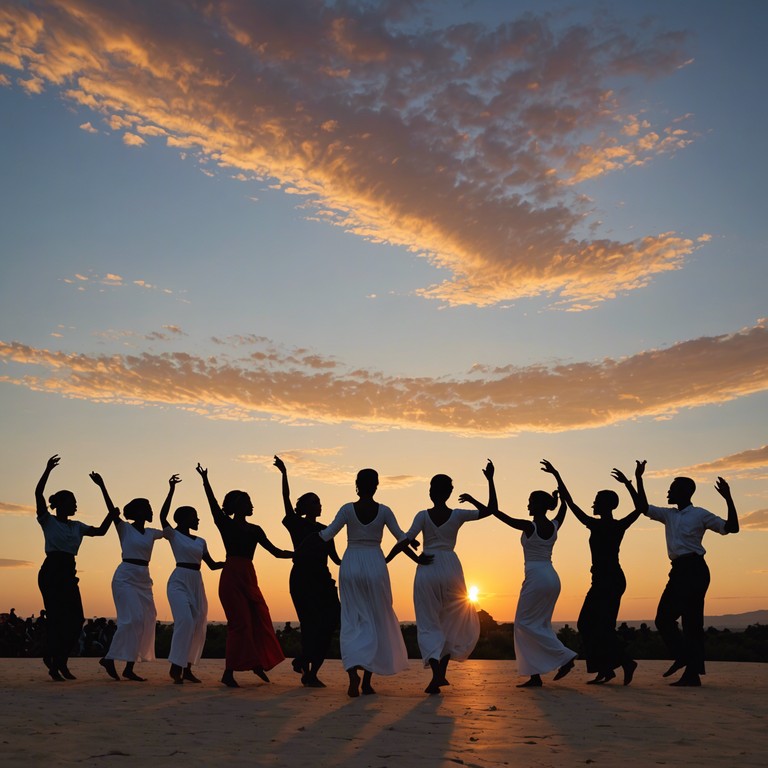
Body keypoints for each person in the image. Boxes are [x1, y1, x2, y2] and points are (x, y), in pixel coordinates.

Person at [317, 468, 429, 697]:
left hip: (351, 565)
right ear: (376, 485)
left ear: (357, 485)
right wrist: (416, 552)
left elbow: (326, 535)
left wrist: (304, 545)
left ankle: (352, 673)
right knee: (376, 619)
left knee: (352, 620)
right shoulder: (384, 511)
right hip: (375, 565)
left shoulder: (347, 509)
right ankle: (367, 681)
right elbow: (402, 537)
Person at [389, 461, 494, 694]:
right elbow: (491, 510)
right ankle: (439, 677)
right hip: (451, 567)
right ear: (449, 493)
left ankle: (437, 674)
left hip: (428, 566)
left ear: (431, 492)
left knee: (428, 623)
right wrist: (489, 480)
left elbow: (405, 540)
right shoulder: (457, 515)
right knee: (449, 623)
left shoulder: (422, 515)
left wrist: (405, 558)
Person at [541, 459, 645, 685]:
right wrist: (557, 474)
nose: (593, 504)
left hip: (610, 581)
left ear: (606, 505)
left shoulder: (607, 525)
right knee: (591, 625)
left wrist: (632, 481)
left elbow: (640, 507)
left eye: (597, 501)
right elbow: (571, 501)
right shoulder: (606, 525)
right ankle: (606, 668)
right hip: (603, 580)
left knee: (595, 625)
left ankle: (625, 662)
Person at [639, 468, 739, 686]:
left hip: (695, 569)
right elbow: (642, 507)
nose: (668, 492)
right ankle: (687, 662)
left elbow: (732, 528)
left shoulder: (700, 514)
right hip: (678, 570)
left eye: (672, 489)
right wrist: (637, 479)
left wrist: (728, 498)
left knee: (689, 622)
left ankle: (690, 670)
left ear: (685, 492)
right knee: (665, 619)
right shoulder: (669, 515)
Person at [197, 463, 292, 688]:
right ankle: (228, 672)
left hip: (249, 577)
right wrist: (205, 480)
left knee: (259, 619)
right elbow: (213, 506)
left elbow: (276, 551)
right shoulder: (225, 524)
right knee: (239, 624)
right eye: (248, 502)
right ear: (238, 506)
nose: (251, 505)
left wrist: (298, 553)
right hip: (231, 577)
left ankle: (255, 662)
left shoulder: (256, 530)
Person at [492, 462, 576, 687]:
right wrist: (557, 476)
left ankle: (565, 656)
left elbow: (498, 514)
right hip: (551, 578)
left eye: (530, 501)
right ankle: (535, 675)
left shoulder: (529, 527)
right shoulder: (554, 525)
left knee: (523, 624)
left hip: (537, 579)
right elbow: (565, 506)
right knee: (539, 624)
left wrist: (488, 483)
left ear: (538, 505)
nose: (527, 504)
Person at [34, 454, 116, 681]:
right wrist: (47, 469)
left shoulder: (77, 526)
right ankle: (56, 662)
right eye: (72, 501)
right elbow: (38, 494)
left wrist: (110, 513)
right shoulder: (47, 520)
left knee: (77, 618)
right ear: (60, 504)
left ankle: (58, 660)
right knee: (57, 618)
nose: (76, 504)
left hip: (69, 572)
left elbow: (100, 531)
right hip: (51, 571)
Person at [90, 471, 176, 681]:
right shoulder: (124, 528)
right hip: (125, 578)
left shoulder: (152, 532)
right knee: (132, 619)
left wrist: (171, 490)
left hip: (143, 580)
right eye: (147, 507)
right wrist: (102, 485)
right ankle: (109, 658)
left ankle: (129, 667)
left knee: (147, 619)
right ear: (137, 511)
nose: (150, 510)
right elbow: (111, 510)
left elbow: (167, 525)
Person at [274, 456, 340, 688]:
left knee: (332, 621)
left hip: (323, 580)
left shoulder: (327, 530)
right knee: (310, 624)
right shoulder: (296, 523)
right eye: (315, 502)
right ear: (305, 507)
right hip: (302, 578)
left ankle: (305, 661)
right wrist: (284, 474)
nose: (319, 505)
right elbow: (285, 498)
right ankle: (309, 673)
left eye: (320, 502)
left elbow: (337, 559)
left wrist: (364, 553)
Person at [160, 475, 224, 684]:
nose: (198, 520)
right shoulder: (173, 535)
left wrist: (231, 562)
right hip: (179, 581)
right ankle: (175, 667)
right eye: (194, 516)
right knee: (185, 621)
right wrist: (171, 489)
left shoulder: (201, 541)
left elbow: (212, 565)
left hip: (197, 582)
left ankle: (187, 667)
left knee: (198, 625)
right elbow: (162, 516)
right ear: (183, 518)